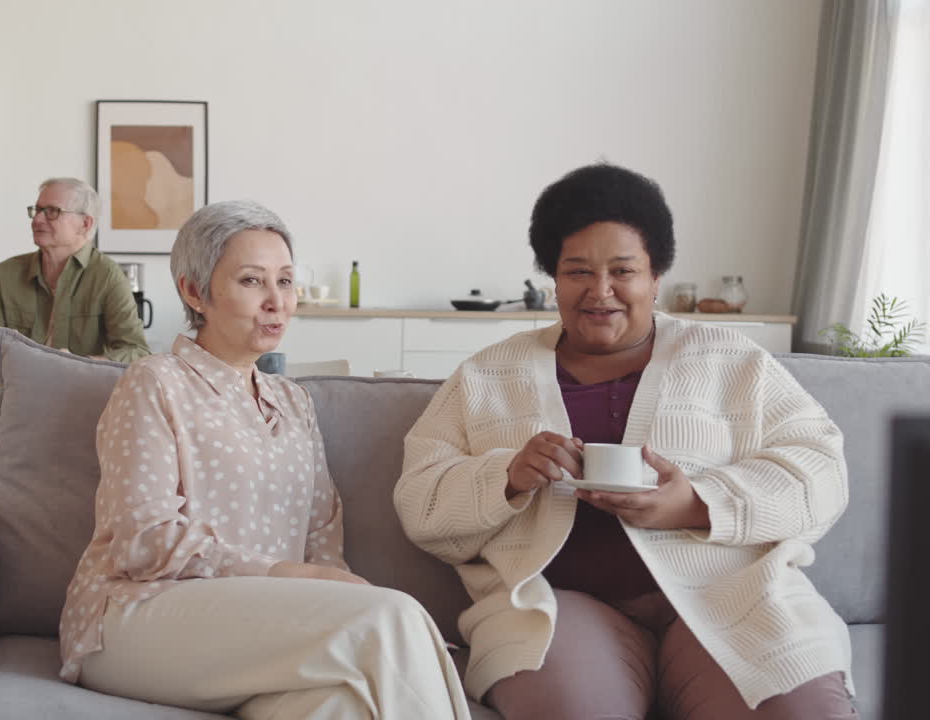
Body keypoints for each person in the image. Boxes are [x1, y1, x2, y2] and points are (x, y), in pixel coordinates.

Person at [394, 163, 857, 719]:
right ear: (554, 278)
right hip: (560, 609)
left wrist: (696, 505)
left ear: (656, 276)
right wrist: (506, 476)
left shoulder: (733, 361)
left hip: (729, 596)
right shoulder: (487, 376)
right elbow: (419, 503)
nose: (600, 292)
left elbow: (822, 472)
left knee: (797, 707)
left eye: (623, 270)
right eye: (578, 272)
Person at [59, 200, 471, 719]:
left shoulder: (294, 403)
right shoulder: (154, 383)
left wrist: (327, 587)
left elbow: (322, 541)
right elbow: (142, 541)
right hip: (133, 620)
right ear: (194, 291)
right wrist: (280, 575)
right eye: (253, 282)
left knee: (343, 705)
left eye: (286, 281)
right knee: (390, 616)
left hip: (259, 632)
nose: (276, 301)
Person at [0, 178, 149, 374]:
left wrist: (82, 363)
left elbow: (137, 352)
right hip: (16, 398)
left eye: (52, 211)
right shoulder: (2, 276)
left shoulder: (108, 276)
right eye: (37, 210)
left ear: (85, 223)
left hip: (81, 398)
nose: (37, 220)